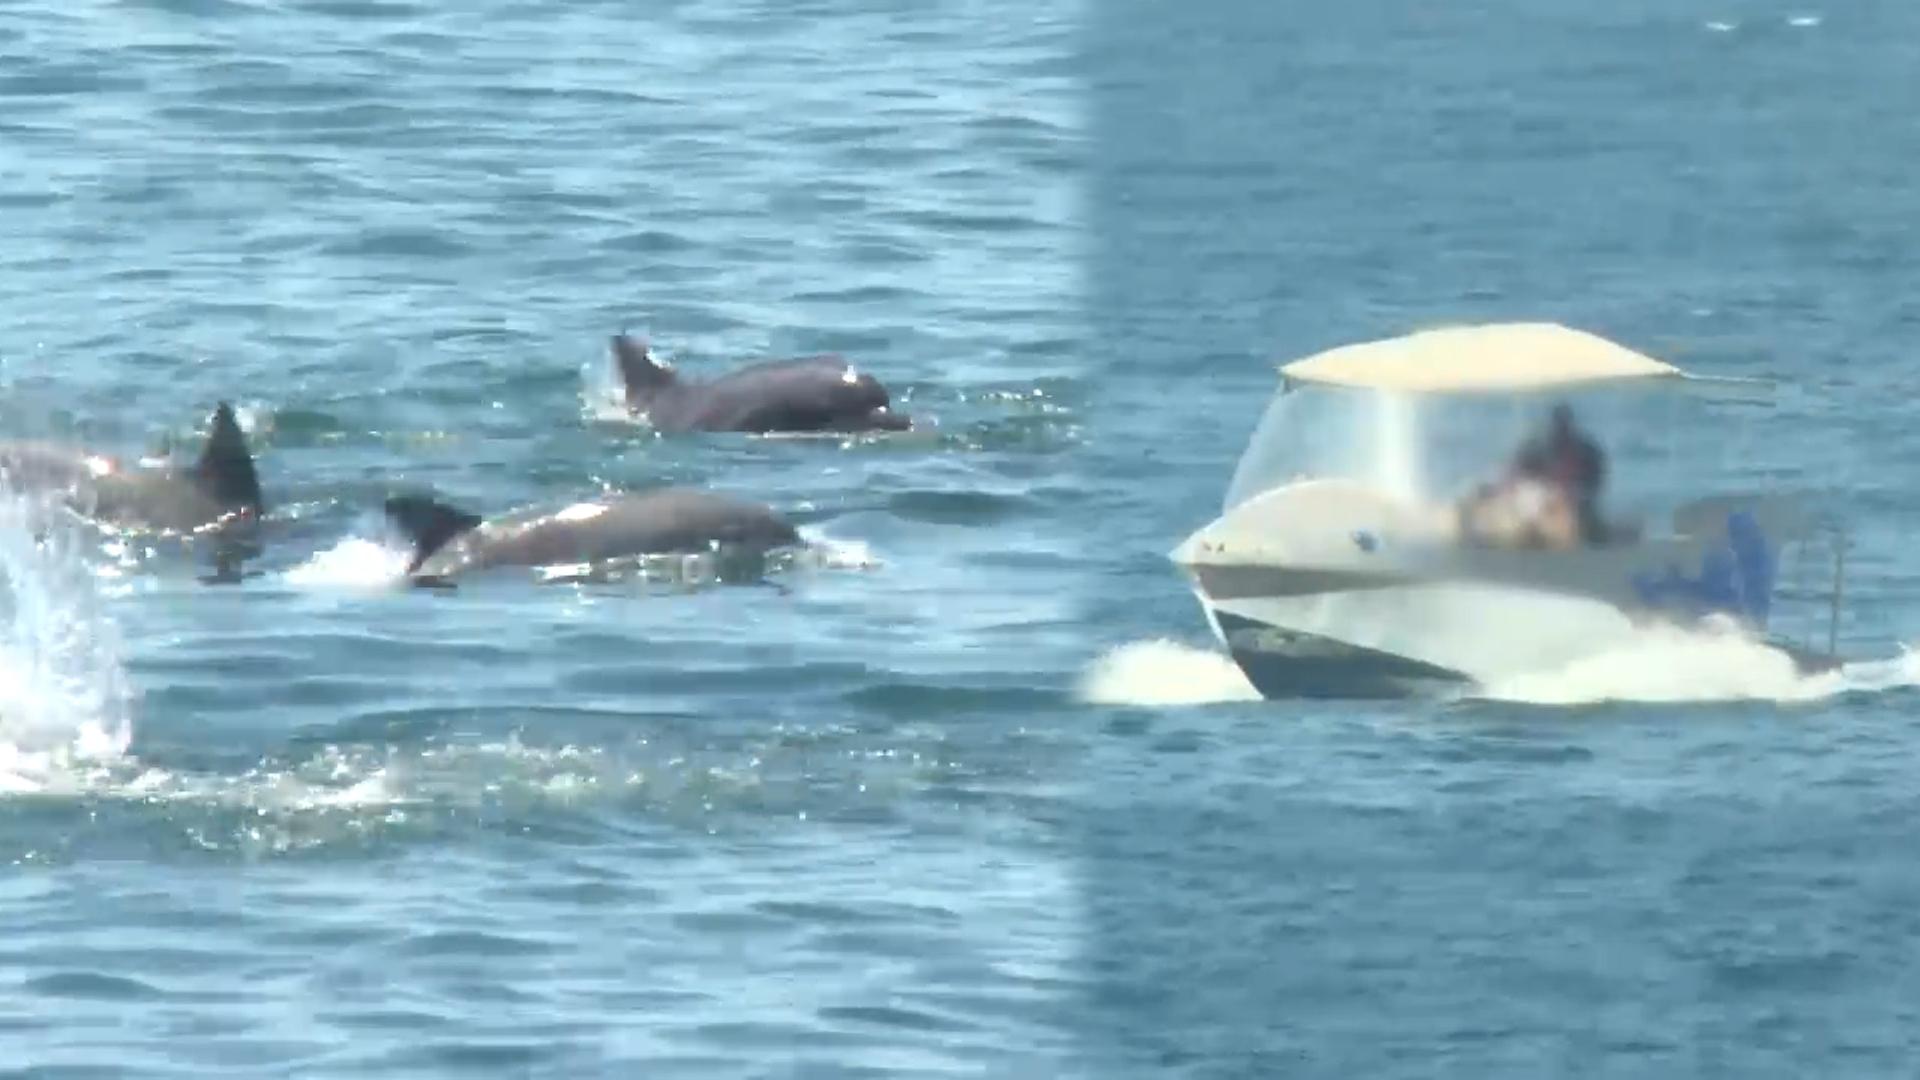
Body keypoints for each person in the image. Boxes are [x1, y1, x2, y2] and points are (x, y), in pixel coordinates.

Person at [1509, 403, 1608, 544]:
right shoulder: (1536, 447)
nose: (1561, 430)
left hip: (1576, 500)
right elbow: (1517, 474)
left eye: (1564, 425)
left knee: (1585, 524)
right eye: (1559, 425)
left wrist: (1577, 494)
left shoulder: (1586, 451)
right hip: (1543, 500)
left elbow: (1596, 483)